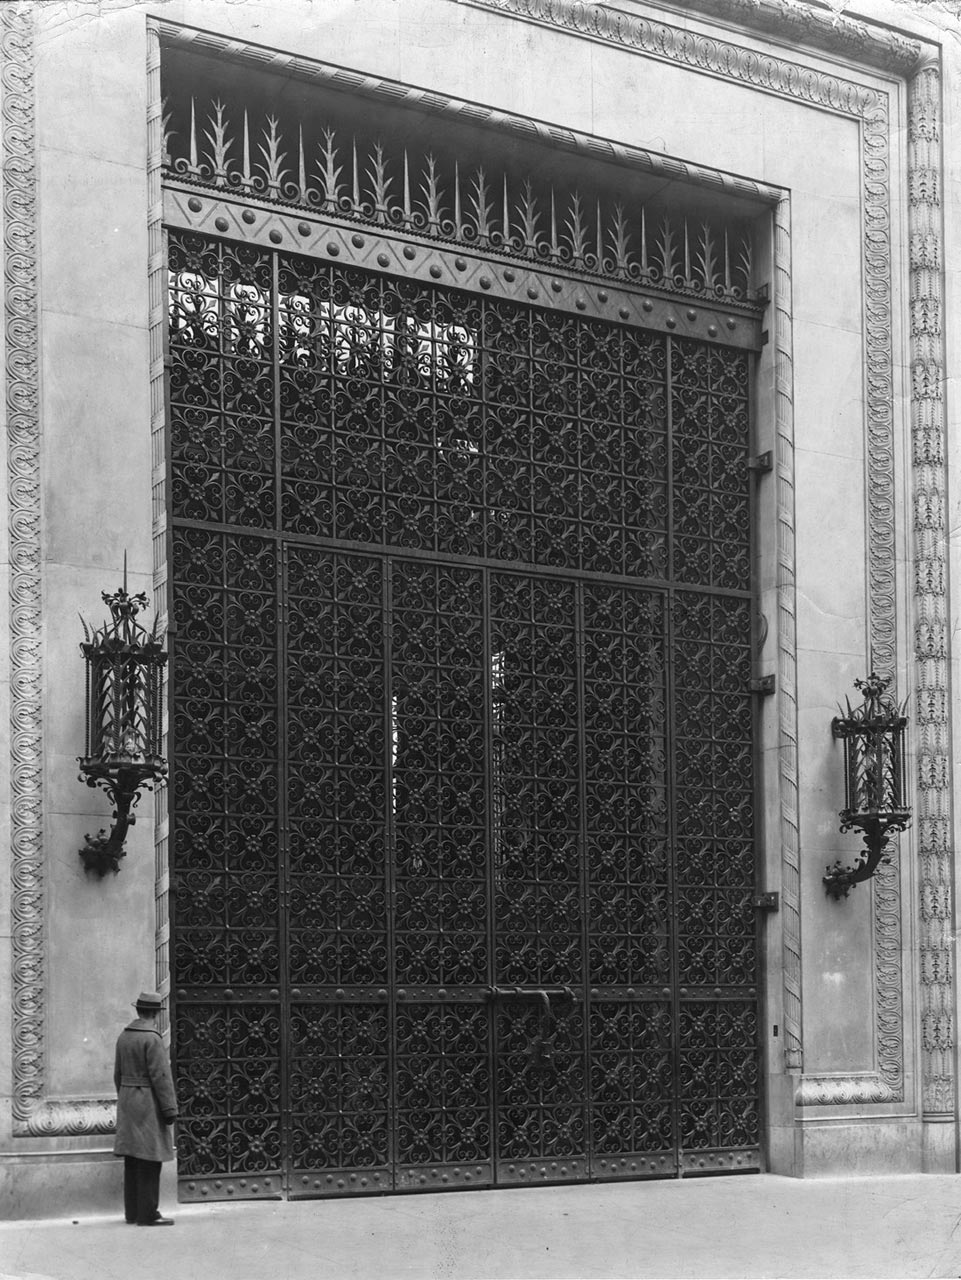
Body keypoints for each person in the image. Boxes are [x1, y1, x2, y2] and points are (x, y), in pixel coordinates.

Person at [113, 990, 179, 1226]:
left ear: (138, 1010)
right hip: (148, 1101)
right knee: (151, 1158)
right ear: (155, 1013)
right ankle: (148, 1213)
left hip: (128, 1099)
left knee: (132, 1157)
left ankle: (132, 1212)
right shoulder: (152, 1038)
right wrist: (170, 1109)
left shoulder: (124, 1036)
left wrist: (125, 1096)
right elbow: (161, 1076)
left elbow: (117, 1074)